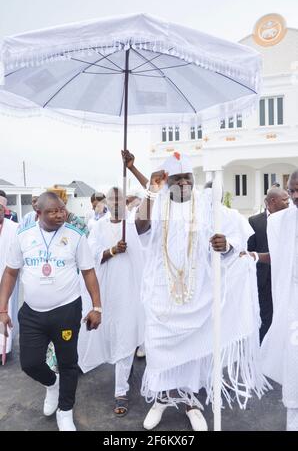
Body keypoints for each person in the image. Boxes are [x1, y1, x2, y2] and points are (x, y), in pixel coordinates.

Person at [134, 152, 268, 431]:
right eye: (177, 178)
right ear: (167, 181)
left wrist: (226, 245)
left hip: (199, 294)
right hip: (162, 293)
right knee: (159, 350)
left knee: (195, 354)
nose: (183, 182)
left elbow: (236, 234)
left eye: (187, 177)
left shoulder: (207, 205)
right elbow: (140, 227)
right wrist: (150, 188)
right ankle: (161, 399)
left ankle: (191, 403)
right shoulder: (156, 203)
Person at [0, 192, 102, 431]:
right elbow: (11, 272)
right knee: (30, 363)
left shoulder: (76, 236)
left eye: (62, 210)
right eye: (53, 211)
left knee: (68, 363)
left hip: (66, 310)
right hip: (33, 314)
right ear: (38, 213)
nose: (60, 215)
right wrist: (2, 308)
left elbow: (88, 272)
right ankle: (52, 383)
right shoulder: (23, 236)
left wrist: (97, 307)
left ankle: (65, 411)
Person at [78, 187, 145, 417]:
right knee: (109, 335)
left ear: (126, 202)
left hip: (130, 290)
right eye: (113, 199)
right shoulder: (98, 226)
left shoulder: (134, 224)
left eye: (121, 199)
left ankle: (121, 391)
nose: (116, 203)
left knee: (126, 336)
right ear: (107, 201)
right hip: (106, 290)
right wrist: (113, 250)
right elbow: (92, 255)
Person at [260, 170, 298, 431]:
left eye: (297, 190)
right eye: (291, 190)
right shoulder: (281, 221)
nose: (294, 196)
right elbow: (278, 257)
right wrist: (248, 255)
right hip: (293, 303)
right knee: (294, 367)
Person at [247, 187, 289, 343]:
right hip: (263, 280)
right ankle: (262, 351)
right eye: (285, 200)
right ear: (273, 201)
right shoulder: (254, 221)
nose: (288, 202)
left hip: (285, 278)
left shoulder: (290, 219)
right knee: (266, 318)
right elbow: (249, 251)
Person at [0, 195, 19, 364]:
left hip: (7, 277)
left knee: (5, 311)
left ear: (4, 210)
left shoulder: (14, 228)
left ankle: (3, 349)